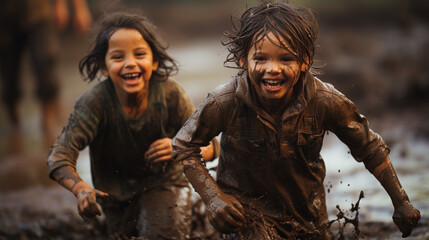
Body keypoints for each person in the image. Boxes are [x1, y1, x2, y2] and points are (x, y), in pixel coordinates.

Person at [172, 1, 421, 239]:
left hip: (308, 217)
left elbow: (369, 148)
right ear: (243, 61)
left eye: (286, 59)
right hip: (246, 216)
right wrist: (213, 198)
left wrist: (402, 202)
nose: (273, 69)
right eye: (260, 59)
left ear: (304, 62)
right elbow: (184, 146)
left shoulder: (326, 101)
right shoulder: (224, 102)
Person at [47, 12, 219, 239]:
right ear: (104, 67)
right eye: (118, 57)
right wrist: (81, 190)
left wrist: (179, 147)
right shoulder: (94, 104)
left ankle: (191, 213)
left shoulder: (171, 95)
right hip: (115, 197)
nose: (130, 63)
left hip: (165, 182)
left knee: (165, 234)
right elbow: (58, 158)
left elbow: (212, 147)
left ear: (154, 61)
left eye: (140, 54)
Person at [0, 0, 92, 148]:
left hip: (38, 10)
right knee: (9, 74)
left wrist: (72, 7)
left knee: (45, 61)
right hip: (5, 15)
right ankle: (15, 128)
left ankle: (47, 128)